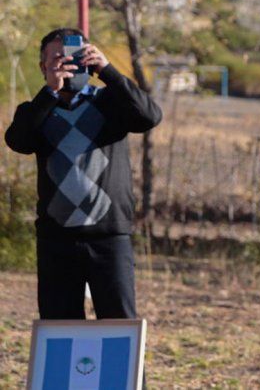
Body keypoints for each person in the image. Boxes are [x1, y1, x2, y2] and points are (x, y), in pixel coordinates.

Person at [5, 28, 162, 321]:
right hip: (57, 240)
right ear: (43, 67)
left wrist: (108, 71)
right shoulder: (36, 110)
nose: (66, 64)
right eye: (56, 59)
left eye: (74, 57)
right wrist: (50, 91)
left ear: (88, 60)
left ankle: (125, 372)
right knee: (59, 328)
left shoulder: (110, 104)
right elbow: (18, 140)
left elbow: (149, 116)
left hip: (110, 236)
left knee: (119, 327)